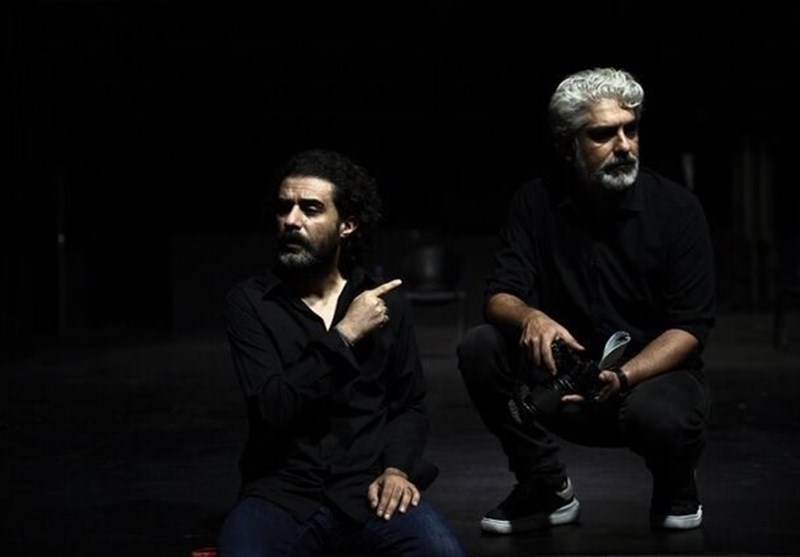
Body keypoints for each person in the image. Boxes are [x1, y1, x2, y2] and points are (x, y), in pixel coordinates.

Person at [457, 67, 715, 535]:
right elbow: (499, 295)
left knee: (660, 413)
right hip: (563, 380)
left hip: (646, 384)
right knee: (480, 346)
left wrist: (623, 376)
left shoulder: (678, 208)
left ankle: (676, 479)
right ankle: (546, 485)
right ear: (567, 144)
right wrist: (531, 317)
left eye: (631, 130)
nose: (624, 146)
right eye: (603, 134)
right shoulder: (535, 201)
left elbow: (690, 327)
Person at [217, 149, 466, 557]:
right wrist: (346, 334)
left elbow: (409, 405)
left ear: (347, 225)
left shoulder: (384, 304)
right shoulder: (250, 303)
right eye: (284, 208)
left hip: (368, 490)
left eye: (310, 209)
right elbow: (273, 406)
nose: (291, 220)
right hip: (282, 493)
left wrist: (396, 469)